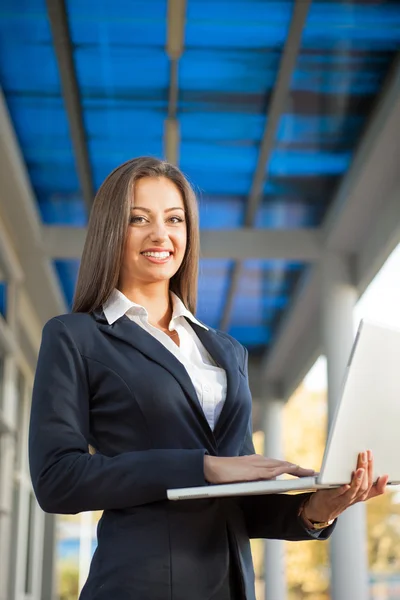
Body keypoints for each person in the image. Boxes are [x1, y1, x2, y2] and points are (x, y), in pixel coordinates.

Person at [28, 157, 388, 600]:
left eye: (174, 219)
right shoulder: (76, 337)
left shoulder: (224, 351)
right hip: (139, 584)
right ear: (110, 231)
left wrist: (317, 509)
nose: (161, 234)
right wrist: (202, 467)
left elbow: (243, 504)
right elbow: (57, 479)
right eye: (139, 219)